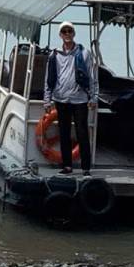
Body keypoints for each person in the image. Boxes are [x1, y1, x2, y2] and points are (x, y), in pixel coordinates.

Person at [42, 20, 96, 173]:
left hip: (80, 99)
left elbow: (92, 77)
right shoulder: (54, 54)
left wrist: (93, 97)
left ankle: (86, 168)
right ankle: (67, 166)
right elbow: (49, 78)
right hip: (61, 99)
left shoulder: (84, 53)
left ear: (74, 34)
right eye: (64, 31)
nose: (67, 34)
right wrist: (47, 99)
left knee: (82, 133)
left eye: (69, 31)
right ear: (60, 35)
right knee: (64, 132)